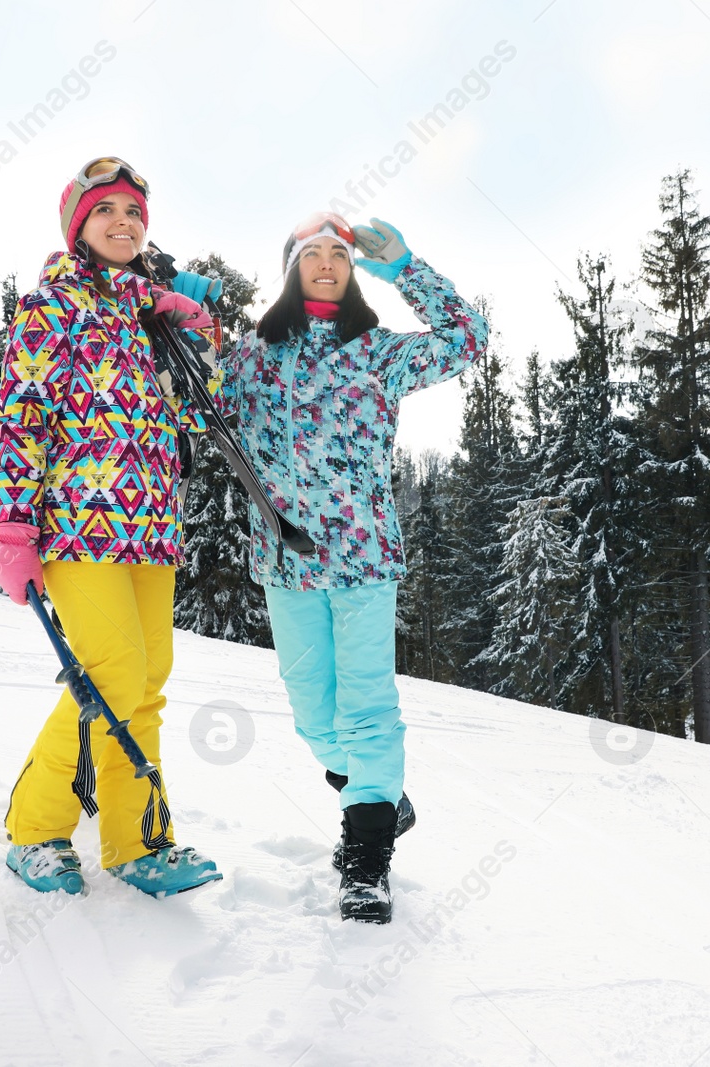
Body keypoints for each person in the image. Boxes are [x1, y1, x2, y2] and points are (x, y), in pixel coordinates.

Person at [217, 212, 488, 923]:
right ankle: (379, 797)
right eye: (314, 253)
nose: (330, 261)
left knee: (366, 706)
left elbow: (467, 339)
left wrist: (405, 268)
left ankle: (366, 861)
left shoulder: (376, 352)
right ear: (289, 269)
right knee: (313, 715)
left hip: (365, 559)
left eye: (341, 253)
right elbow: (187, 387)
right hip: (287, 560)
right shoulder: (250, 357)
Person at [0, 156, 224, 899]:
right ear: (78, 226)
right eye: (106, 212)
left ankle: (136, 841)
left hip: (152, 527)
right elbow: (21, 417)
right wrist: (14, 528)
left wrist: (198, 330)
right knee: (110, 674)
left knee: (146, 681)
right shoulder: (49, 306)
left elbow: (198, 412)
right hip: (80, 525)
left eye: (134, 214)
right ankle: (35, 825)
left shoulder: (153, 316)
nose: (124, 224)